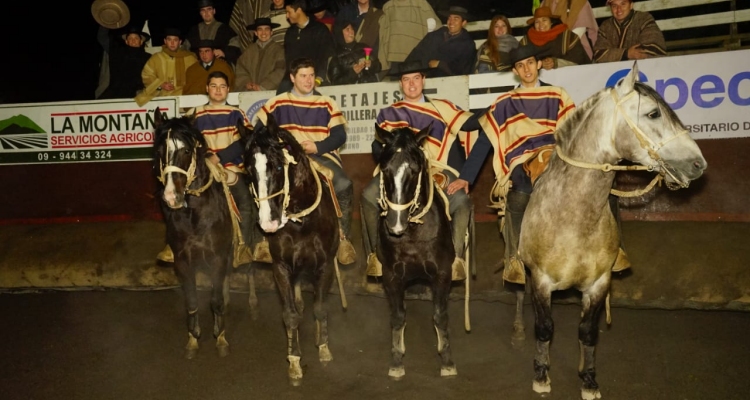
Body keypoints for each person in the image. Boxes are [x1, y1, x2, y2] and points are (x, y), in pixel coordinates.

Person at [361, 60, 485, 280]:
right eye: (406, 80)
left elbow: (472, 123)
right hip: (401, 172)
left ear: (423, 81)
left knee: (461, 202)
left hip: (437, 168)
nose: (412, 84)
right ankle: (376, 256)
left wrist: (499, 106)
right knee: (368, 195)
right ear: (400, 84)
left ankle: (456, 258)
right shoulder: (388, 113)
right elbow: (376, 148)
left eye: (416, 78)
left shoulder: (441, 107)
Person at [253, 57, 357, 265]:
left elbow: (339, 136)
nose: (308, 80)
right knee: (264, 184)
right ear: (292, 77)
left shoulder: (327, 103)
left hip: (319, 156)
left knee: (344, 184)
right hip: (286, 158)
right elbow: (259, 134)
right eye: (303, 76)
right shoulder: (277, 103)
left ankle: (343, 238)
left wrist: (317, 146)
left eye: (311, 76)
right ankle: (264, 240)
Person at [156, 71, 260, 265]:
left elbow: (244, 141)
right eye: (213, 86)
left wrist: (218, 157)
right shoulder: (194, 114)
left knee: (245, 200)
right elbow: (182, 141)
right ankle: (172, 244)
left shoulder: (236, 113)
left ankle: (243, 246)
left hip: (230, 169)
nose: (218, 90)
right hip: (201, 169)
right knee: (172, 195)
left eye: (222, 86)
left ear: (228, 90)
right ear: (207, 88)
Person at [402, 5, 476, 78]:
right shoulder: (434, 36)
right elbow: (415, 55)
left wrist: (440, 64)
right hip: (423, 80)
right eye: (449, 18)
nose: (451, 22)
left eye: (456, 19)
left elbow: (464, 71)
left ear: (464, 23)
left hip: (450, 84)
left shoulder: (468, 44)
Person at [278, 0, 335, 92]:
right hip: (293, 81)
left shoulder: (320, 30)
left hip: (315, 80)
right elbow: (289, 61)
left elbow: (326, 57)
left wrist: (318, 79)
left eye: (289, 12)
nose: (287, 16)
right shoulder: (290, 33)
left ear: (299, 10)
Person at [136, 28, 198, 106]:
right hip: (161, 97)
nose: (172, 43)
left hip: (183, 99)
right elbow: (146, 75)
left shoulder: (190, 58)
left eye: (175, 40)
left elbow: (197, 78)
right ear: (165, 41)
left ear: (180, 42)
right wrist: (161, 84)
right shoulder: (156, 58)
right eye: (169, 40)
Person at [519, 6, 591, 70]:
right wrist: (540, 64)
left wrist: (556, 62)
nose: (541, 24)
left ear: (551, 22)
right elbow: (519, 62)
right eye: (537, 22)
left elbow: (579, 59)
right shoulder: (526, 41)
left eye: (544, 20)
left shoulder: (567, 37)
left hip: (568, 77)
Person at [593, 0, 667, 63]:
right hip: (614, 75)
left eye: (623, 4)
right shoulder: (606, 26)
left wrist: (614, 55)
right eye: (614, 6)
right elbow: (599, 54)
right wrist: (626, 53)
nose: (619, 9)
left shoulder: (644, 19)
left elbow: (653, 49)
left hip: (645, 71)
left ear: (631, 5)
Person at [378, 0, 441, 72]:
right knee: (398, 81)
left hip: (417, 58)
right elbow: (384, 35)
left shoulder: (421, 3)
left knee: (415, 81)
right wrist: (383, 62)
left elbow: (435, 28)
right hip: (395, 58)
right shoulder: (388, 7)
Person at [233, 17, 286, 92]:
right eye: (260, 29)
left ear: (271, 32)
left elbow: (281, 71)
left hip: (271, 93)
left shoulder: (279, 50)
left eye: (267, 29)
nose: (263, 33)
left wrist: (263, 86)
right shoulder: (249, 51)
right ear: (256, 33)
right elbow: (241, 69)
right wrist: (247, 83)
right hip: (250, 93)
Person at [99, 25, 152, 99]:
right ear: (126, 42)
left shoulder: (149, 58)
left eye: (136, 38)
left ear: (141, 41)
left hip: (141, 95)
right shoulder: (117, 54)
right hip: (117, 95)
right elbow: (102, 38)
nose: (133, 40)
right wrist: (105, 23)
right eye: (130, 38)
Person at [185, 0, 242, 66]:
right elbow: (185, 48)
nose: (206, 13)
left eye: (209, 9)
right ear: (200, 13)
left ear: (214, 11)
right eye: (203, 10)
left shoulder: (225, 29)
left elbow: (236, 47)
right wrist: (193, 55)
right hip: (198, 66)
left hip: (219, 66)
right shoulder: (194, 31)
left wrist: (224, 52)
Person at [327, 20, 381, 85]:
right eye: (347, 29)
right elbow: (335, 81)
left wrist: (371, 65)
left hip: (370, 89)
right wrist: (352, 73)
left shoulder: (364, 47)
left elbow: (379, 67)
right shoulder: (335, 55)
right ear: (340, 33)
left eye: (352, 29)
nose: (352, 32)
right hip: (351, 93)